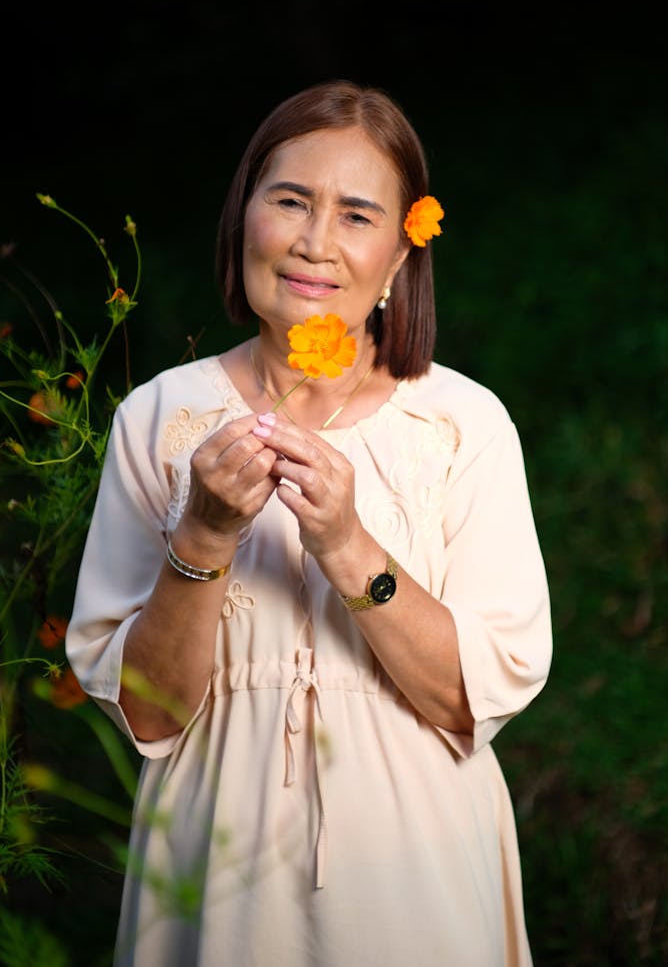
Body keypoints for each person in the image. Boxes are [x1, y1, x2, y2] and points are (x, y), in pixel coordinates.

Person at [67, 80, 552, 967]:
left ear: (401, 256)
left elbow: (468, 697)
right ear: (243, 214)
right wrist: (204, 538)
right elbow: (146, 711)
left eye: (356, 214)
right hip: (216, 870)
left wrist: (345, 542)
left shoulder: (462, 423)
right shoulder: (160, 416)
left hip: (416, 866)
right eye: (289, 200)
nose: (313, 241)